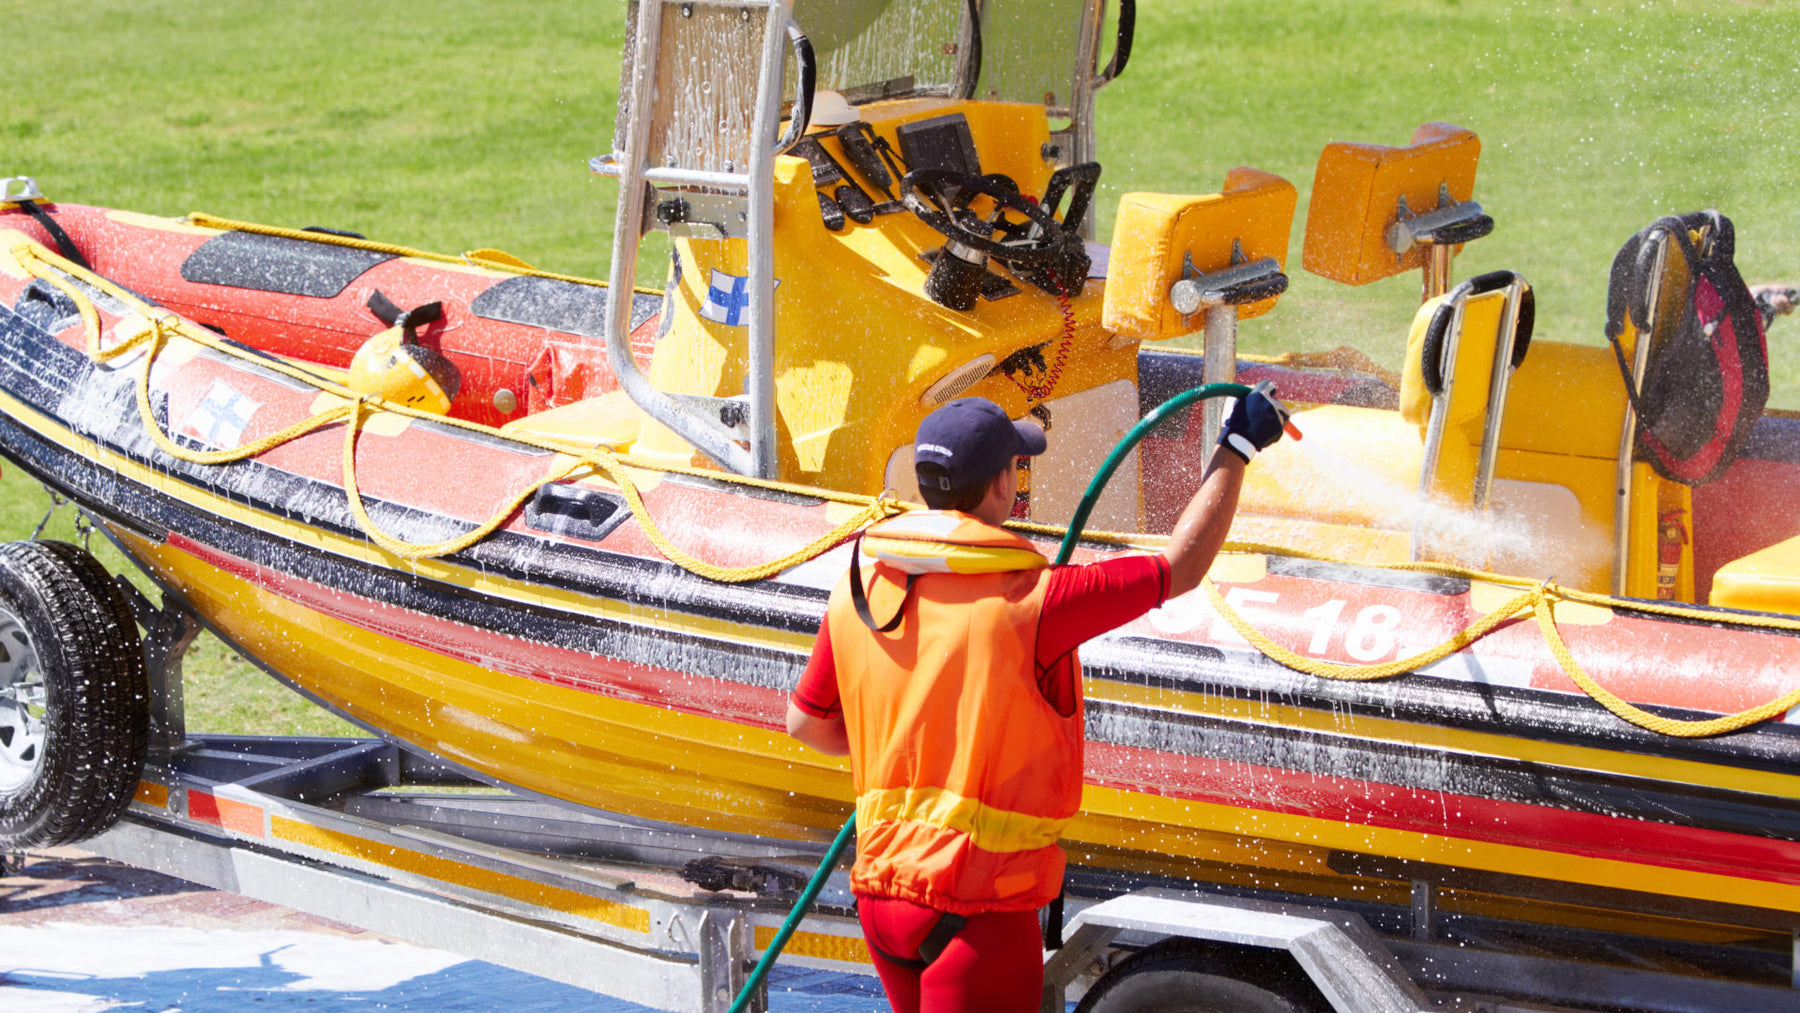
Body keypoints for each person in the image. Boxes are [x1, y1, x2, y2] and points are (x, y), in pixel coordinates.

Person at [786, 390, 1290, 1013]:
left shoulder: (861, 587)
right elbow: (1181, 567)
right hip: (979, 912)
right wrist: (1237, 446)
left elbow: (806, 722)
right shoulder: (1036, 601)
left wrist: (913, 740)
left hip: (881, 895)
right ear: (1001, 483)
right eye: (1017, 467)